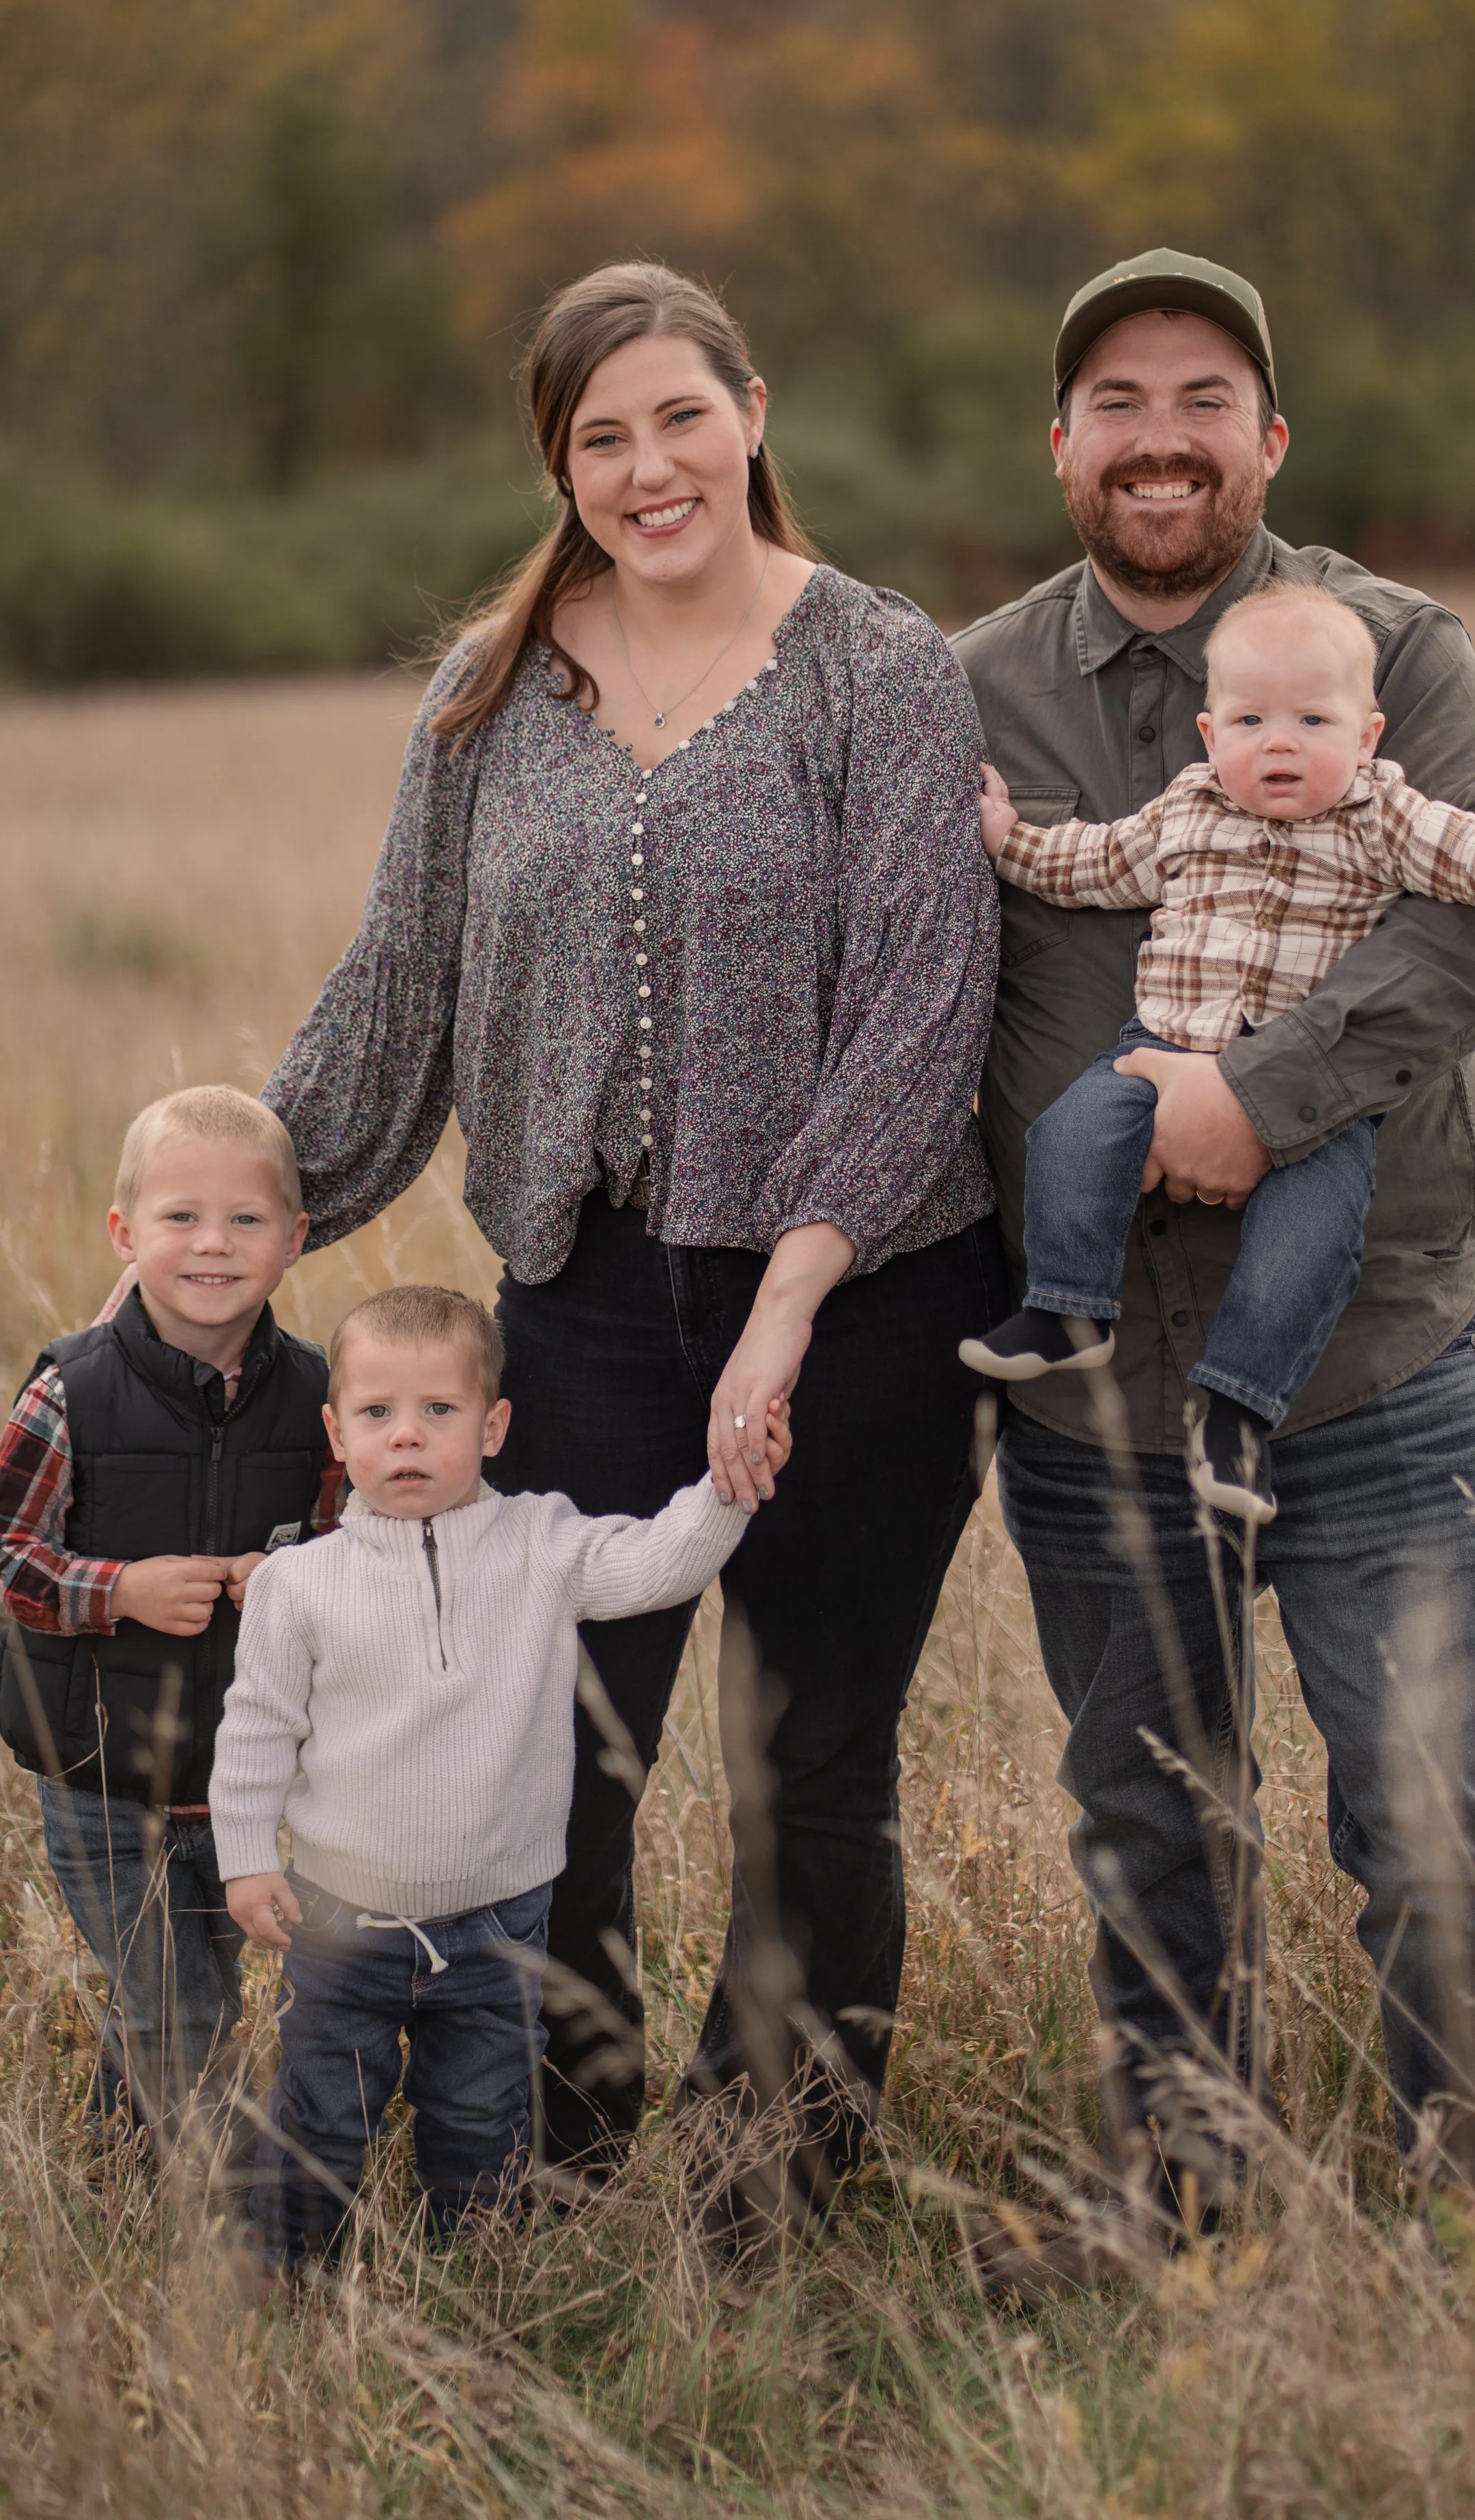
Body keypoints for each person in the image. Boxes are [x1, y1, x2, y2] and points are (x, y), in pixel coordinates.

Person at [260, 261, 1005, 2226]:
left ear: (752, 412)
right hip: (579, 1308)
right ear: (560, 466)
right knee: (556, 1773)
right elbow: (391, 996)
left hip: (860, 1308)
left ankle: (772, 2190)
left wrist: (784, 1305)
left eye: (682, 415)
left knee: (806, 1768)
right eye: (602, 436)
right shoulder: (493, 694)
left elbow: (923, 1009)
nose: (649, 465)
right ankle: (543, 2179)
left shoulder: (881, 668)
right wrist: (229, 1229)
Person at [953, 247, 1475, 2216]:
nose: (1160, 438)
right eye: (1118, 404)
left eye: (1201, 398)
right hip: (1097, 1391)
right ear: (1061, 445)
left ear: (1266, 438)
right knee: (1149, 1818)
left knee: (1423, 1802)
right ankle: (1195, 2213)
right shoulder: (978, 686)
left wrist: (1262, 1095)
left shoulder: (1395, 645)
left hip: (1369, 1353)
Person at [961, 580, 1475, 1522]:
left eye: (1313, 719)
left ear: (1367, 735)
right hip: (1159, 1045)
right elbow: (1089, 863)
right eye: (1252, 719)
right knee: (1070, 1135)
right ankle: (1070, 1308)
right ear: (1210, 732)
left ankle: (1236, 1408)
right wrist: (1008, 838)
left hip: (1314, 1096)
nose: (1280, 741)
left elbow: (1465, 848)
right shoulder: (1186, 808)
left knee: (1308, 1244)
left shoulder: (1381, 816)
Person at [212, 1285, 787, 2265]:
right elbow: (258, 1728)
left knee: (482, 2116)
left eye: (439, 1412)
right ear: (336, 1431)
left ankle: (475, 2277)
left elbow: (655, 1565)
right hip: (341, 1914)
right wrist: (245, 1860)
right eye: (377, 1413)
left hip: (500, 1918)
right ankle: (290, 2280)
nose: (407, 1437)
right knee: (321, 2110)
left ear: (493, 1426)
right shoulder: (299, 1584)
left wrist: (730, 1486)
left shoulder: (540, 1544)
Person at [0, 1086, 331, 2140]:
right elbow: (6, 1553)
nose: (213, 1245)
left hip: (230, 1783)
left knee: (185, 1991)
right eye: (181, 1217)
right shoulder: (72, 1390)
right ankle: (198, 2205)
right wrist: (121, 1587)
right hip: (97, 1772)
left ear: (294, 1237)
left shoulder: (320, 1400)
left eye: (245, 1220)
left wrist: (283, 1575)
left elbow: (344, 1559)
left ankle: (115, 2145)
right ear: (124, 1232)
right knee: (186, 2008)